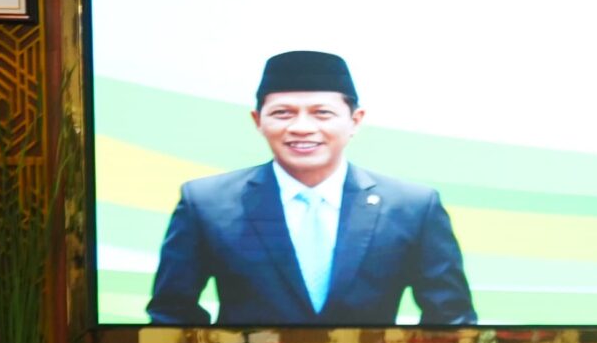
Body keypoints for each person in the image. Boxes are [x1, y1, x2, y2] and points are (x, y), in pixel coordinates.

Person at [145, 50, 475, 327]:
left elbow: (451, 320)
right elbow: (171, 315)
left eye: (322, 113)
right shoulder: (205, 203)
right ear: (258, 121)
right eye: (282, 113)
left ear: (355, 120)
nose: (302, 127)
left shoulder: (412, 206)